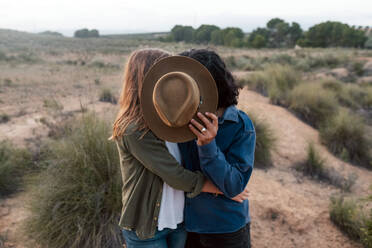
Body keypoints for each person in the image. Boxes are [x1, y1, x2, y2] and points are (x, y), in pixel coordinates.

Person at [111, 48, 249, 248]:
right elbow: (175, 175)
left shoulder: (174, 119)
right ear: (149, 79)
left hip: (179, 221)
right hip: (148, 227)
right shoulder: (133, 129)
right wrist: (222, 189)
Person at [179, 49, 256, 248]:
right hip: (186, 226)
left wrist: (208, 146)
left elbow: (233, 186)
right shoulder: (182, 120)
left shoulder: (240, 125)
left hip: (225, 230)